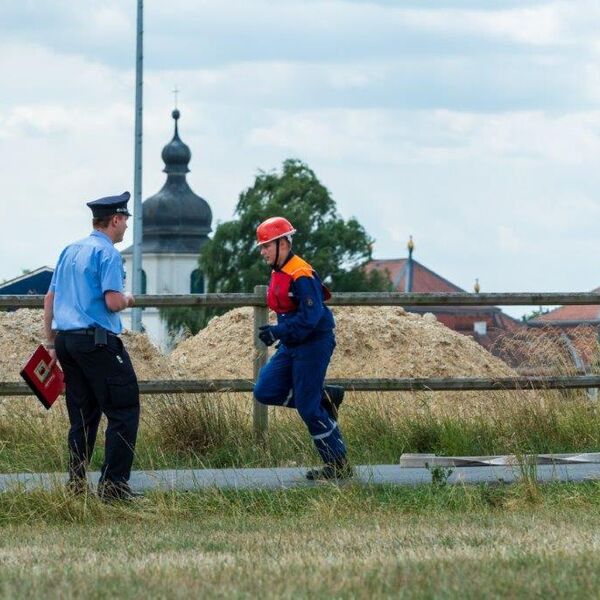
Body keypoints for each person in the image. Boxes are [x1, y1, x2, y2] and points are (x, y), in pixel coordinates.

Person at [43, 192, 140, 501]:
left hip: (67, 341)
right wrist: (128, 299)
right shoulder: (108, 254)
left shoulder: (70, 250)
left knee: (83, 417)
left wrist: (51, 344)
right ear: (114, 220)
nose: (126, 226)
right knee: (124, 410)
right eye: (124, 220)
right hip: (97, 342)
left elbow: (50, 300)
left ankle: (76, 486)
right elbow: (112, 301)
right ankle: (113, 488)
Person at [253, 216, 351, 480]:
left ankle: (337, 465)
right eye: (261, 247)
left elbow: (311, 318)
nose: (262, 252)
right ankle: (324, 398)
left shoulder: (301, 274)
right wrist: (282, 333)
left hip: (314, 343)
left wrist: (278, 331)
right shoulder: (279, 270)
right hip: (293, 342)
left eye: (266, 246)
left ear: (283, 243)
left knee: (308, 410)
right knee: (264, 390)